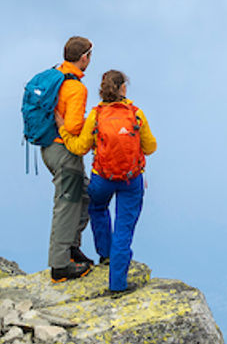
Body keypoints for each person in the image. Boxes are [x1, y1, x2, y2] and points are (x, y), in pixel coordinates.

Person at [78, 69, 157, 295]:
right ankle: (118, 284)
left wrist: (64, 133)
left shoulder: (96, 115)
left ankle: (105, 254)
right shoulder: (136, 114)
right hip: (132, 180)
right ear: (123, 88)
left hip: (102, 177)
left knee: (97, 208)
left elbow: (82, 146)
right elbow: (150, 147)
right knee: (124, 229)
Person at [42, 36, 97, 281]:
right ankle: (60, 265)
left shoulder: (56, 75)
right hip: (64, 152)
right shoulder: (75, 87)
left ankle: (71, 248)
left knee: (83, 195)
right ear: (84, 57)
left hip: (48, 148)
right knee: (67, 205)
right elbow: (73, 127)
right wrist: (93, 127)